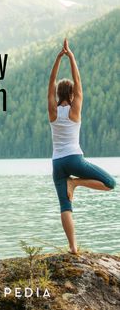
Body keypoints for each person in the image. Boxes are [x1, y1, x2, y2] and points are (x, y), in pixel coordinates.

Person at [47, 38, 116, 254]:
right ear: (72, 95)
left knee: (65, 207)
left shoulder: (53, 112)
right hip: (75, 159)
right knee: (110, 183)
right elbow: (78, 80)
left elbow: (51, 83)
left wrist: (58, 58)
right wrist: (72, 56)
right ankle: (75, 184)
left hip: (57, 163)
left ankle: (73, 247)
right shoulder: (75, 110)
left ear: (59, 95)